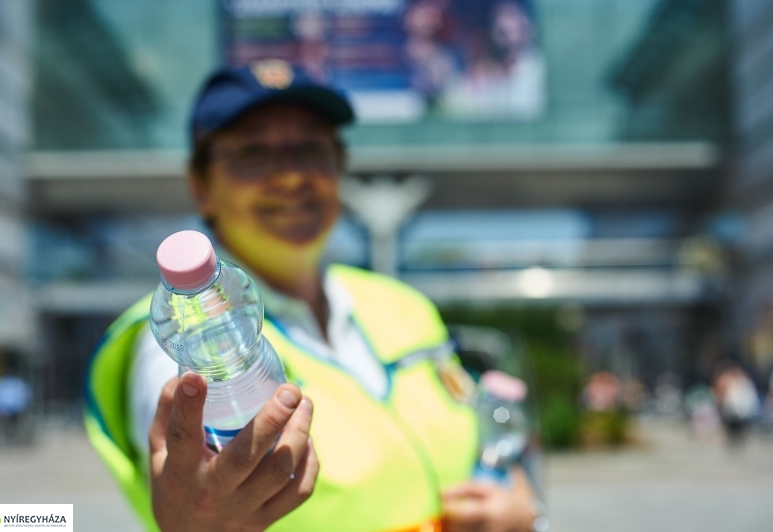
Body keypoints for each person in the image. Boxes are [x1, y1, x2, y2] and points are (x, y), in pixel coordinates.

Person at [85, 59, 539, 532]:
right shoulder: (181, 338)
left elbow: (481, 433)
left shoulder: (402, 304)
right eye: (254, 153)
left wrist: (523, 508)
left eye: (311, 149)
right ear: (202, 187)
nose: (291, 176)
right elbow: (195, 488)